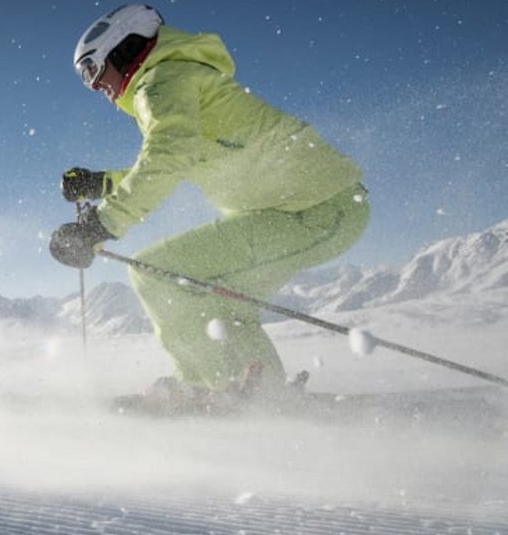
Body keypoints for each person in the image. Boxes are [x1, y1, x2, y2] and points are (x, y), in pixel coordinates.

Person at [49, 5, 369, 413]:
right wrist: (102, 183)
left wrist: (101, 226)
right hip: (309, 210)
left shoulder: (162, 82)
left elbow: (167, 158)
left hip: (319, 209)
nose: (94, 86)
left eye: (93, 70)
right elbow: (179, 158)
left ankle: (208, 390)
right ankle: (260, 393)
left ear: (125, 50)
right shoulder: (177, 80)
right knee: (223, 301)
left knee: (157, 274)